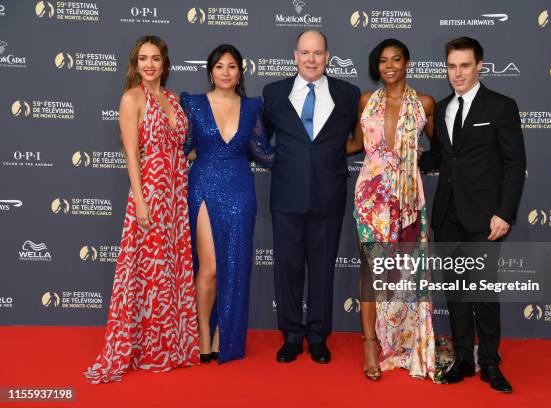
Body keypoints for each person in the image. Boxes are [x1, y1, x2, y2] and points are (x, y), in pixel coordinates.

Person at [84, 36, 199, 384]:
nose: (149, 65)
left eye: (156, 59)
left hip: (177, 192)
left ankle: (171, 345)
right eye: (143, 59)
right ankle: (146, 348)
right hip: (150, 190)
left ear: (165, 64)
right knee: (148, 272)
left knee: (171, 266)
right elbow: (132, 155)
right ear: (136, 64)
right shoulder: (131, 98)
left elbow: (182, 147)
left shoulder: (175, 100)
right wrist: (141, 201)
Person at [419, 37, 526, 393]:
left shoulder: (500, 106)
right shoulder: (444, 107)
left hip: (485, 217)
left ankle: (491, 363)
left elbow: (514, 163)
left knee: (482, 292)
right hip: (447, 215)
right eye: (452, 66)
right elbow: (440, 156)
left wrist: (504, 213)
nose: (458, 73)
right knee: (455, 291)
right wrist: (405, 155)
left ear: (480, 65)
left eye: (465, 65)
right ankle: (464, 358)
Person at [263, 30, 360, 364]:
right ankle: (291, 335)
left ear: (327, 56)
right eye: (305, 53)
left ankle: (318, 336)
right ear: (295, 56)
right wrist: (286, 163)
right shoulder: (273, 93)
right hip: (286, 196)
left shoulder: (348, 94)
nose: (311, 59)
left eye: (317, 53)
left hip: (328, 195)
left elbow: (360, 139)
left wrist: (330, 156)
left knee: (322, 270)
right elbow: (260, 141)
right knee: (287, 269)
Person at [347, 39, 438, 381]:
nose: (389, 66)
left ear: (407, 62)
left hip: (408, 199)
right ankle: (370, 344)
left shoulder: (424, 103)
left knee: (406, 273)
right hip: (370, 196)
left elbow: (441, 147)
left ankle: (405, 344)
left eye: (395, 59)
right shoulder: (366, 101)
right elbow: (356, 144)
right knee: (371, 270)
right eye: (383, 60)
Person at [180, 44, 273, 364]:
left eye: (232, 66)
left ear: (240, 72)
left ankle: (224, 336)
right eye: (219, 66)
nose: (225, 72)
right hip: (204, 185)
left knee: (235, 267)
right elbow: (184, 147)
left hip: (240, 191)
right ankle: (201, 333)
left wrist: (307, 155)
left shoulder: (251, 108)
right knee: (211, 268)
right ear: (210, 71)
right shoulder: (193, 103)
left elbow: (262, 152)